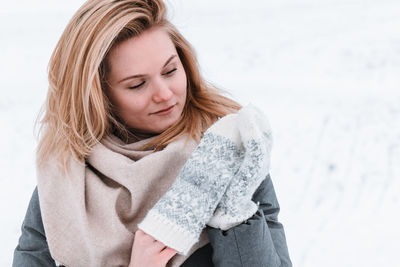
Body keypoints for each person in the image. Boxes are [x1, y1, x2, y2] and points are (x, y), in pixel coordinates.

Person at [13, 0, 292, 266]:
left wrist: (235, 217)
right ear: (99, 96)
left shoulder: (229, 154)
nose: (164, 94)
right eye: (137, 85)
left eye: (170, 70)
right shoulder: (65, 184)